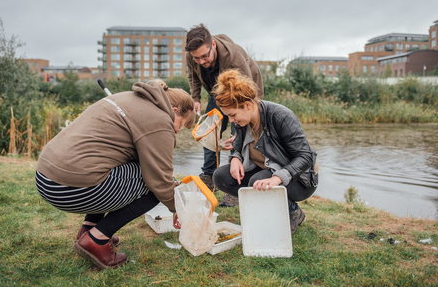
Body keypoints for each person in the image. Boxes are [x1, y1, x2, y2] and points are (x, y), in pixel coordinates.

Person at [35, 79, 195, 269]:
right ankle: (97, 239)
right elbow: (160, 181)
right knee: (154, 186)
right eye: (179, 125)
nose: (176, 131)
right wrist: (176, 208)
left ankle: (88, 229)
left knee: (110, 165)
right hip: (72, 189)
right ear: (175, 110)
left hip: (45, 178)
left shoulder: (126, 97)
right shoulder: (160, 119)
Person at [211, 69, 318, 235]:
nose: (231, 121)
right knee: (221, 177)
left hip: (301, 180)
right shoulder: (241, 120)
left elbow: (306, 157)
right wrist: (235, 157)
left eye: (232, 115)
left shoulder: (281, 116)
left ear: (247, 105)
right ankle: (265, 207)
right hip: (265, 170)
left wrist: (277, 178)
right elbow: (239, 146)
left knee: (257, 180)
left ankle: (293, 211)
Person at [185, 23, 264, 207]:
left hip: (244, 90)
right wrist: (195, 97)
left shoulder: (234, 59)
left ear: (213, 45)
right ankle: (209, 175)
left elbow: (249, 92)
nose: (202, 61)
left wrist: (239, 127)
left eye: (205, 56)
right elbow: (193, 76)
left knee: (242, 133)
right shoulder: (193, 56)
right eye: (197, 58)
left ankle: (235, 185)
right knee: (209, 130)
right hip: (217, 91)